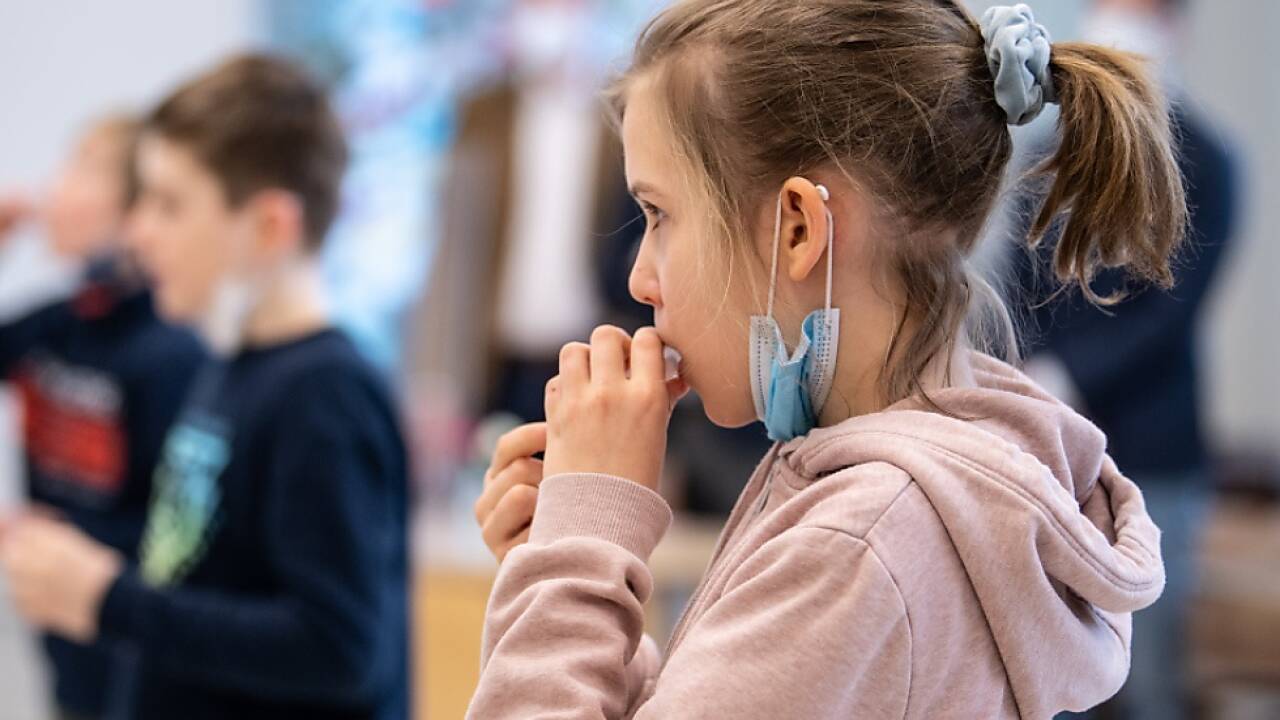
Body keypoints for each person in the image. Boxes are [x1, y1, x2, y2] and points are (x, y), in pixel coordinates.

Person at [468, 2, 1181, 717]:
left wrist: (580, 553)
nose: (638, 278)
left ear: (799, 229)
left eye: (659, 216)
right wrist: (564, 576)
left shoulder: (855, 544)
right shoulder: (913, 497)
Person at [0, 55, 409, 720]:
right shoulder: (229, 365)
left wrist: (107, 599)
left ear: (269, 226)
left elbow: (343, 649)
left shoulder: (324, 392)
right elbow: (205, 572)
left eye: (168, 204)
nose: (137, 233)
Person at [1013, 1, 1237, 717]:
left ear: (1175, 30)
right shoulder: (1049, 148)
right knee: (1057, 670)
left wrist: (1070, 374)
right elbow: (1020, 278)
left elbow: (1174, 306)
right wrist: (1035, 375)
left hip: (1154, 449)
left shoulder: (1207, 159)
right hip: (1055, 452)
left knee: (1147, 681)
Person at [0, 114, 206, 720]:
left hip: (133, 640)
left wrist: (60, 538)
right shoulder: (59, 325)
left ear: (136, 213)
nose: (56, 186)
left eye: (84, 169)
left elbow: (182, 533)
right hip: (57, 626)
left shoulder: (174, 351)